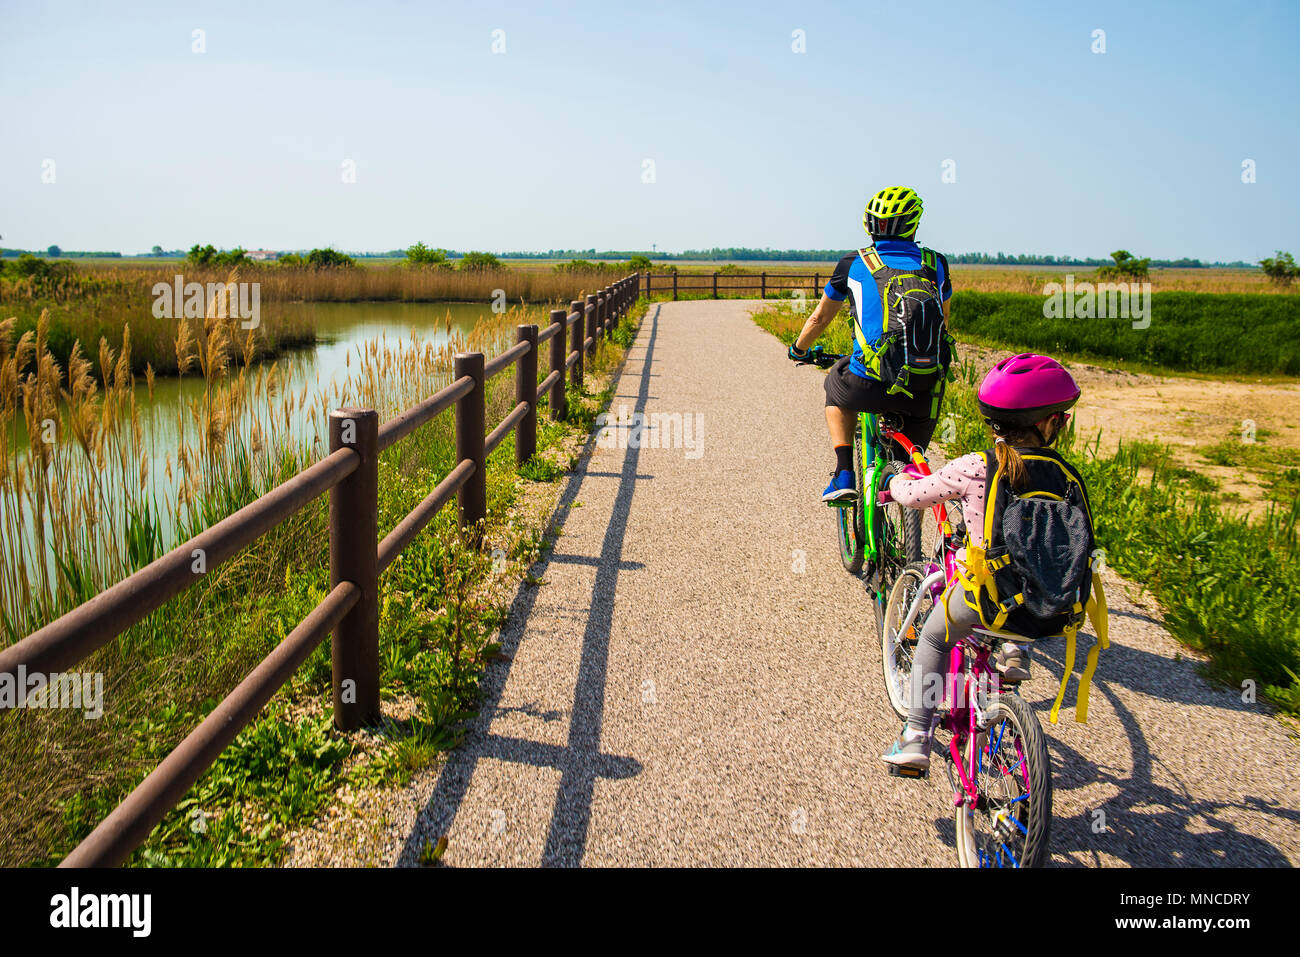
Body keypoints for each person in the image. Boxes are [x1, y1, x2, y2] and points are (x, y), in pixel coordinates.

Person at [877, 353, 1089, 771]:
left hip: (985, 600)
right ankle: (1015, 652)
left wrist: (894, 480)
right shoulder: (1065, 475)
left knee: (936, 638)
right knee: (1029, 579)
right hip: (1053, 608)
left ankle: (917, 736)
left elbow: (915, 498)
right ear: (1049, 424)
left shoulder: (977, 466)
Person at [788, 186, 953, 503]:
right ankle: (906, 530)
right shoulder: (936, 263)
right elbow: (944, 322)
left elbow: (820, 318)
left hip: (868, 383)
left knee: (835, 381)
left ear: (869, 224)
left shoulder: (854, 263)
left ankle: (844, 473)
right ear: (914, 225)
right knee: (908, 473)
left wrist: (798, 349)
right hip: (925, 387)